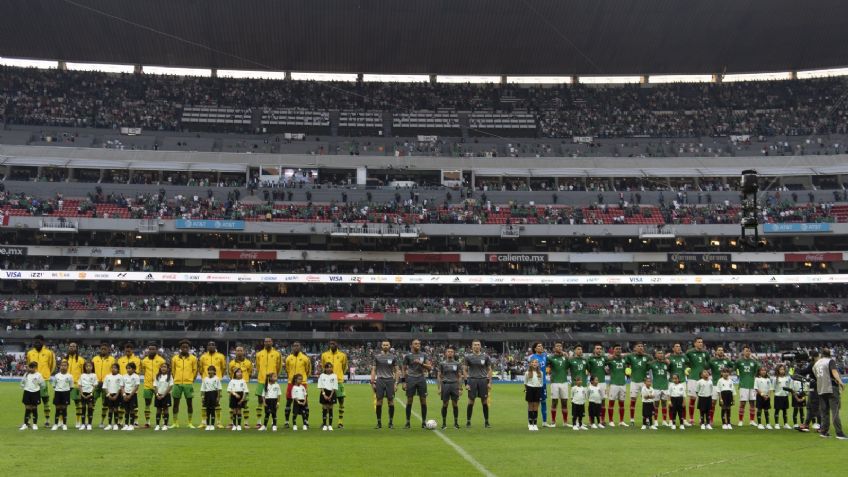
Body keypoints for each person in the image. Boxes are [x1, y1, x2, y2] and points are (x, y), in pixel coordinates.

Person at [813, 348, 846, 439]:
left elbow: (816, 376)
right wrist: (840, 382)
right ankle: (839, 433)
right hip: (831, 388)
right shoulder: (830, 361)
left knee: (824, 412)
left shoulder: (816, 364)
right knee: (835, 411)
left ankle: (824, 432)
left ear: (821, 354)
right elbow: (834, 372)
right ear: (830, 354)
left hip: (821, 389)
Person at [26, 335, 56, 427]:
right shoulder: (30, 353)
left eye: (39, 341)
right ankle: (29, 421)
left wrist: (46, 374)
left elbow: (52, 365)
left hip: (44, 380)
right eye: (35, 341)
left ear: (43, 342)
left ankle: (47, 420)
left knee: (45, 400)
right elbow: (29, 365)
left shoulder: (49, 353)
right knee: (31, 402)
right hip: (32, 381)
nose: (37, 343)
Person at [463, 339, 492, 428]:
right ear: (472, 346)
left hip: (483, 380)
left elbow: (489, 369)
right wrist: (466, 383)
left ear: (480, 346)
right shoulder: (468, 357)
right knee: (471, 401)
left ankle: (486, 422)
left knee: (484, 402)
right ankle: (468, 421)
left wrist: (489, 382)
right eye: (475, 345)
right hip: (472, 380)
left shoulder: (486, 357)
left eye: (478, 345)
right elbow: (464, 370)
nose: (476, 346)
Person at [403, 339, 431, 429]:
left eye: (419, 343)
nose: (418, 345)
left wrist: (421, 363)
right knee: (409, 400)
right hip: (411, 378)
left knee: (423, 400)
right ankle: (407, 422)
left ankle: (423, 422)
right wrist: (403, 381)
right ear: (411, 345)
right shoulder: (407, 356)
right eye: (415, 343)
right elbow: (403, 368)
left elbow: (430, 367)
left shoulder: (424, 355)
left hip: (421, 378)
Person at [371, 340, 399, 429]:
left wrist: (396, 383)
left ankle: (390, 423)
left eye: (387, 345)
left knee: (390, 401)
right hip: (380, 380)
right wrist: (372, 382)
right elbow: (373, 370)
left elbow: (397, 370)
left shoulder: (393, 357)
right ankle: (379, 423)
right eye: (384, 345)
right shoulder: (377, 357)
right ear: (381, 346)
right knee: (379, 402)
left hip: (390, 381)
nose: (385, 346)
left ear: (390, 346)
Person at [320, 341, 348, 429]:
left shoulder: (343, 355)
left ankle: (340, 422)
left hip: (339, 381)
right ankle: (324, 422)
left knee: (341, 401)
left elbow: (344, 367)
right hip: (327, 382)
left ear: (337, 345)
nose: (332, 345)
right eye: (331, 344)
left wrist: (339, 375)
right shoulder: (324, 355)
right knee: (325, 403)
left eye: (334, 344)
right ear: (329, 345)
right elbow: (323, 367)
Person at [199, 341, 227, 429]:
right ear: (207, 347)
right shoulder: (203, 357)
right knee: (204, 403)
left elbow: (223, 368)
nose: (211, 346)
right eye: (209, 345)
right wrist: (204, 377)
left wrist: (218, 377)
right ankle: (204, 422)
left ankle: (218, 422)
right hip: (206, 383)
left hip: (216, 383)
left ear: (215, 346)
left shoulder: (221, 356)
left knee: (217, 403)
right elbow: (200, 369)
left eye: (213, 345)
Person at [256, 338, 282, 429]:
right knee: (260, 401)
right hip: (261, 380)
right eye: (266, 341)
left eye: (269, 341)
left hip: (272, 381)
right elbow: (258, 366)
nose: (267, 343)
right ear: (264, 343)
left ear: (272, 342)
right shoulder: (259, 354)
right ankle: (259, 422)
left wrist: (274, 377)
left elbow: (278, 367)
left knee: (274, 401)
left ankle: (272, 421)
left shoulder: (277, 354)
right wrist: (262, 375)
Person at [171, 339, 198, 428]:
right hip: (177, 383)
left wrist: (191, 380)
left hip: (188, 383)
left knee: (189, 403)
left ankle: (190, 422)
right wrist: (176, 379)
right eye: (183, 347)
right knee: (175, 403)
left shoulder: (193, 358)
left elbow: (195, 370)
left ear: (189, 348)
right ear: (180, 348)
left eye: (186, 347)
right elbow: (173, 370)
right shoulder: (175, 358)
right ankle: (175, 422)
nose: (185, 349)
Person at [437, 347, 463, 430]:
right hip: (445, 385)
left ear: (454, 353)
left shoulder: (457, 363)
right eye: (448, 351)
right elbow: (439, 376)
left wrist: (460, 388)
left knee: (455, 404)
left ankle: (456, 423)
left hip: (454, 385)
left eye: (452, 352)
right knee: (445, 404)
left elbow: (459, 376)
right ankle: (444, 423)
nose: (450, 353)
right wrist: (439, 387)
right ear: (445, 353)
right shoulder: (442, 363)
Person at [140, 342, 166, 428]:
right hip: (147, 385)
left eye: (153, 349)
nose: (151, 350)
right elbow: (143, 371)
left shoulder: (161, 360)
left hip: (159, 386)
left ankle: (162, 422)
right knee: (147, 403)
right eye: (150, 349)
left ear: (157, 350)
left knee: (161, 404)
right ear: (148, 349)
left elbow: (164, 372)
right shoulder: (144, 361)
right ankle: (147, 422)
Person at [626, 342, 651, 426]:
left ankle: (647, 419)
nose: (641, 347)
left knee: (647, 400)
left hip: (644, 382)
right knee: (633, 400)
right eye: (639, 346)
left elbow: (653, 363)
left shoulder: (647, 357)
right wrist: (627, 370)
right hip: (634, 381)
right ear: (635, 348)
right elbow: (625, 363)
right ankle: (632, 420)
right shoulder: (630, 356)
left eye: (642, 346)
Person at [91, 342, 116, 428]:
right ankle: (89, 421)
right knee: (92, 402)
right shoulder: (94, 359)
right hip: (96, 384)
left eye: (105, 349)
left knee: (105, 404)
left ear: (108, 349)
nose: (103, 350)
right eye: (102, 349)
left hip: (107, 386)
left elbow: (114, 372)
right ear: (100, 349)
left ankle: (102, 422)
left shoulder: (112, 359)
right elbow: (91, 371)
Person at [685, 338, 709, 426]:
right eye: (698, 342)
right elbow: (684, 361)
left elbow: (708, 363)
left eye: (701, 342)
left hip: (703, 379)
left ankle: (701, 418)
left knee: (702, 400)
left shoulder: (705, 353)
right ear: (695, 343)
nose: (700, 343)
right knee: (692, 399)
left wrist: (706, 371)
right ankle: (691, 418)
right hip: (692, 378)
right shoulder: (689, 352)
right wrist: (687, 368)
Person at [228, 345, 254, 427]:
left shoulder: (248, 363)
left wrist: (245, 380)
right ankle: (232, 422)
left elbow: (250, 373)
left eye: (241, 350)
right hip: (234, 387)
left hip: (244, 386)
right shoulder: (231, 363)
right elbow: (230, 374)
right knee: (232, 406)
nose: (239, 352)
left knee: (245, 405)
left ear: (244, 351)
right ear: (235, 352)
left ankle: (246, 423)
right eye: (237, 350)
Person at [734, 345, 760, 427]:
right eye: (746, 351)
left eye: (749, 351)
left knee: (752, 403)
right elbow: (733, 368)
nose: (747, 352)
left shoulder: (754, 362)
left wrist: (757, 359)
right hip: (743, 385)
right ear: (743, 352)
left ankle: (752, 421)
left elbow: (759, 369)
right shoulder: (739, 361)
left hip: (752, 385)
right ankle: (740, 421)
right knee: (742, 403)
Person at [546, 342, 570, 427]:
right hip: (555, 382)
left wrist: (567, 357)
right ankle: (553, 421)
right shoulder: (551, 358)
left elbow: (569, 366)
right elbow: (546, 367)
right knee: (554, 402)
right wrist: (548, 371)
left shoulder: (565, 358)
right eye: (557, 346)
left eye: (560, 346)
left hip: (564, 382)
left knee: (564, 402)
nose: (559, 347)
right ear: (554, 348)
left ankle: (565, 422)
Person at [707, 346, 733, 426]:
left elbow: (732, 366)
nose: (721, 351)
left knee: (726, 404)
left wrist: (728, 360)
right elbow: (706, 367)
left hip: (725, 386)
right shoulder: (712, 360)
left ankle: (726, 421)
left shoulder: (726, 360)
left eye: (722, 350)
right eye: (719, 350)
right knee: (713, 403)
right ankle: (711, 419)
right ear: (716, 351)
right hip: (715, 384)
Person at [117, 342, 141, 426]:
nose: (127, 350)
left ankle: (135, 421)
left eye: (129, 349)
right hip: (123, 386)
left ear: (132, 350)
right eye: (126, 349)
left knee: (134, 406)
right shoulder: (120, 360)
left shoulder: (137, 360)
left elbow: (137, 372)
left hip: (132, 386)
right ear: (124, 350)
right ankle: (120, 421)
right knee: (122, 405)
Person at [64, 342, 86, 429]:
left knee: (78, 404)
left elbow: (83, 374)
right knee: (62, 404)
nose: (72, 348)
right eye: (70, 346)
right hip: (64, 385)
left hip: (76, 385)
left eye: (74, 346)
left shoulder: (81, 360)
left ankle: (78, 421)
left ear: (76, 348)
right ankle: (61, 422)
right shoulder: (64, 360)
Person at [528, 342, 550, 427]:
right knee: (533, 403)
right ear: (535, 349)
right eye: (539, 346)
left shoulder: (545, 356)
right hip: (535, 383)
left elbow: (550, 364)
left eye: (541, 346)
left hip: (543, 383)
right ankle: (531, 422)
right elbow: (529, 369)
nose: (541, 347)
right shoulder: (533, 357)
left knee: (543, 401)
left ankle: (544, 422)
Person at [586, 344, 609, 427]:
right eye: (597, 348)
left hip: (602, 382)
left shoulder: (604, 358)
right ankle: (591, 421)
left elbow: (609, 363)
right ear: (594, 350)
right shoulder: (590, 359)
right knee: (592, 402)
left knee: (602, 402)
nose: (599, 350)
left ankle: (602, 420)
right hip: (593, 383)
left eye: (600, 349)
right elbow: (588, 369)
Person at [605, 345, 628, 427]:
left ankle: (621, 421)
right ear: (613, 350)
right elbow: (603, 363)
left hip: (623, 384)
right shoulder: (610, 360)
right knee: (611, 403)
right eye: (617, 349)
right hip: (613, 384)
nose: (618, 350)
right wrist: (608, 358)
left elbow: (630, 356)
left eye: (620, 349)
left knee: (622, 403)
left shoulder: (624, 359)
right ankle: (611, 421)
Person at [20, 362, 45, 431]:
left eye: (33, 367)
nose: (31, 369)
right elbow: (22, 383)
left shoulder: (39, 375)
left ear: (35, 367)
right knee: (27, 408)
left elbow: (43, 384)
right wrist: (24, 387)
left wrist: (37, 388)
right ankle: (25, 424)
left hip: (35, 393)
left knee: (34, 408)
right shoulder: (26, 374)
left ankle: (35, 424)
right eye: (30, 367)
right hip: (27, 392)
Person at [649, 349, 671, 426]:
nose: (660, 355)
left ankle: (664, 421)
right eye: (659, 353)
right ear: (655, 355)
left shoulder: (666, 363)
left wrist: (666, 360)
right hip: (656, 386)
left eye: (661, 353)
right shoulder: (652, 363)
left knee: (664, 404)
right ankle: (655, 420)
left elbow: (670, 365)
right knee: (656, 404)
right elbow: (647, 365)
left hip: (665, 386)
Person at [51, 360, 73, 431]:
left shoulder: (70, 376)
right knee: (57, 409)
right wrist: (59, 389)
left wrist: (65, 390)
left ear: (67, 367)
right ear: (60, 366)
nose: (63, 367)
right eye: (62, 365)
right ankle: (55, 424)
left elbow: (71, 386)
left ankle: (64, 424)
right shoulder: (57, 375)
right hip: (57, 392)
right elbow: (54, 385)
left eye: (65, 365)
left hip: (66, 393)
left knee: (64, 409)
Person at [199, 365, 221, 431]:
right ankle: (208, 425)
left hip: (214, 394)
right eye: (209, 370)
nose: (210, 371)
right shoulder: (205, 379)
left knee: (213, 409)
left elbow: (219, 389)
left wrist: (218, 397)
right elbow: (203, 389)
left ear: (214, 371)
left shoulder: (217, 378)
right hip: (207, 394)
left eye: (212, 370)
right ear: (208, 371)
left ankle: (212, 425)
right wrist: (202, 397)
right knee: (207, 410)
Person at [103, 363, 124, 431]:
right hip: (109, 395)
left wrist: (116, 395)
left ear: (118, 369)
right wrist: (108, 395)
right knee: (110, 409)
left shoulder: (120, 376)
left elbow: (120, 387)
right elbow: (105, 387)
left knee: (116, 409)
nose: (113, 369)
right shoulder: (107, 376)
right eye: (112, 367)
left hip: (116, 395)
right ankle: (109, 424)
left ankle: (115, 424)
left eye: (115, 368)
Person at [318, 362, 339, 431]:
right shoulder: (322, 375)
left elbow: (335, 386)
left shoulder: (334, 376)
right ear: (325, 368)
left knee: (330, 409)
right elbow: (321, 386)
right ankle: (324, 425)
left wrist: (330, 395)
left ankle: (330, 425)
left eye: (330, 367)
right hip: (324, 392)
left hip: (331, 393)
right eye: (327, 367)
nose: (329, 369)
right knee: (324, 408)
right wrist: (324, 394)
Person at [153, 363, 173, 431]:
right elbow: (155, 386)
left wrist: (164, 395)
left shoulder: (169, 376)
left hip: (166, 395)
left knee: (165, 410)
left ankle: (165, 425)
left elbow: (170, 386)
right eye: (162, 367)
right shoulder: (157, 376)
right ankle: (157, 425)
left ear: (167, 368)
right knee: (158, 410)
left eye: (165, 367)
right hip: (158, 395)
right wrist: (157, 395)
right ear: (160, 368)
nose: (163, 368)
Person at [524, 358, 543, 431]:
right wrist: (527, 390)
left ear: (538, 364)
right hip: (530, 389)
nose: (534, 363)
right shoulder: (527, 373)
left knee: (536, 407)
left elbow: (541, 382)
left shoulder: (540, 373)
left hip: (538, 389)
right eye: (533, 362)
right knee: (530, 407)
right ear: (530, 364)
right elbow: (525, 383)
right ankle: (530, 423)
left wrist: (539, 388)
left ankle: (535, 424)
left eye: (536, 362)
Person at [79, 361, 98, 431]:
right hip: (83, 394)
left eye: (90, 366)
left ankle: (89, 424)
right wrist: (81, 394)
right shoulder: (82, 375)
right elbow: (79, 385)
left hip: (90, 394)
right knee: (83, 408)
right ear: (85, 367)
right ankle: (83, 424)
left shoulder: (94, 375)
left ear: (92, 367)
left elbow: (95, 386)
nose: (88, 367)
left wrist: (91, 394)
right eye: (87, 366)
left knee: (90, 407)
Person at [121, 362, 140, 431]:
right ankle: (126, 424)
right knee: (126, 410)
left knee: (132, 410)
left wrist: (130, 395)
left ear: (134, 369)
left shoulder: (136, 376)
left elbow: (136, 386)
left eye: (130, 368)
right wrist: (124, 395)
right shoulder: (124, 376)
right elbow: (122, 386)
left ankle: (131, 425)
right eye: (127, 368)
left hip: (133, 395)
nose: (128, 370)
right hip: (125, 394)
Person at [773, 364, 792, 429]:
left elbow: (789, 386)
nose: (782, 371)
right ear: (778, 370)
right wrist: (777, 393)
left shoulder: (787, 378)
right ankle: (776, 424)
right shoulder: (775, 378)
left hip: (785, 396)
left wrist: (787, 392)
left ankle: (785, 424)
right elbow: (773, 388)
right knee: (777, 410)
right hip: (778, 396)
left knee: (784, 410)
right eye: (780, 369)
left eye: (783, 369)